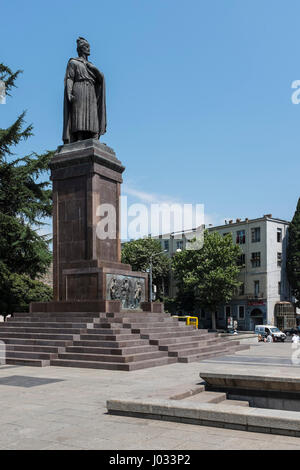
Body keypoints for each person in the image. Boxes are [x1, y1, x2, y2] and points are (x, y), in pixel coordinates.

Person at [63, 37, 106, 144]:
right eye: (86, 47)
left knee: (92, 113)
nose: (89, 49)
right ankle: (79, 137)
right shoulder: (73, 62)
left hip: (91, 90)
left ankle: (93, 135)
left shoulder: (91, 65)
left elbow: (101, 79)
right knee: (79, 113)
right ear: (81, 49)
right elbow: (70, 78)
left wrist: (95, 69)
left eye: (89, 47)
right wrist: (69, 92)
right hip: (79, 89)